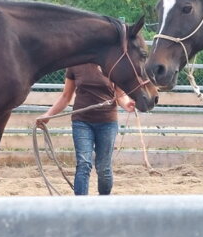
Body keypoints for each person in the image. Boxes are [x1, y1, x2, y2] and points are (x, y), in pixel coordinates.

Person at [38, 63, 135, 196]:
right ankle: (80, 206)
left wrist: (127, 104)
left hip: (107, 122)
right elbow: (66, 96)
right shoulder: (75, 64)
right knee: (84, 163)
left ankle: (104, 201)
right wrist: (48, 115)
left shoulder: (111, 64)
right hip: (82, 121)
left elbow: (120, 94)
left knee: (103, 167)